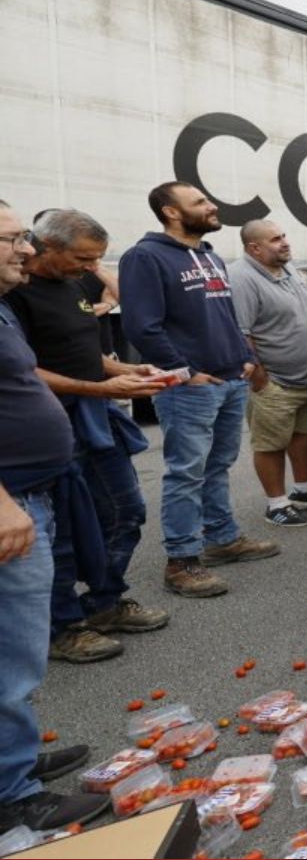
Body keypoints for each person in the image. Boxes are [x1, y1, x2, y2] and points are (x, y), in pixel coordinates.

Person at [5, 210, 168, 663]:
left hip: (94, 418)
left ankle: (105, 603)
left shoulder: (73, 284)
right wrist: (101, 388)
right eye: (82, 257)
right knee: (58, 531)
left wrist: (127, 369)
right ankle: (64, 625)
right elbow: (26, 369)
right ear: (45, 247)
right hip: (53, 426)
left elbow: (86, 353)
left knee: (124, 511)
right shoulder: (16, 294)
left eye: (96, 259)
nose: (89, 266)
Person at [0, 201, 112, 831]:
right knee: (9, 652)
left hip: (28, 493)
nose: (26, 249)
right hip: (10, 502)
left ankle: (12, 762)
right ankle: (11, 794)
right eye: (12, 239)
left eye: (24, 238)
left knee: (16, 650)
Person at [119, 182, 279, 599]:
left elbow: (223, 315)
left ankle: (222, 538)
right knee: (186, 472)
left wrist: (243, 357)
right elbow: (141, 325)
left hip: (229, 378)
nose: (212, 207)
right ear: (171, 212)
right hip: (191, 386)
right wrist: (183, 372)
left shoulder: (210, 256)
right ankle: (182, 561)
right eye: (200, 203)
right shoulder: (145, 256)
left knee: (217, 465)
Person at [231, 220, 307, 529]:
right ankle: (277, 503)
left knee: (304, 435)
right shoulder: (242, 279)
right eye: (275, 239)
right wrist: (261, 379)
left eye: (284, 236)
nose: (284, 243)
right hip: (277, 381)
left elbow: (306, 309)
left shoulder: (287, 268)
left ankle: (305, 489)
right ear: (254, 248)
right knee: (270, 444)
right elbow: (241, 333)